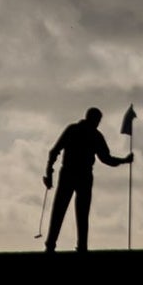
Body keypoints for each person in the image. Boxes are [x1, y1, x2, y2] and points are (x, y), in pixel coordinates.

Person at [43, 106, 134, 252]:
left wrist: (49, 172)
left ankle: (52, 245)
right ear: (94, 119)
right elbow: (106, 159)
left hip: (71, 174)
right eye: (98, 120)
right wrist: (124, 160)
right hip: (81, 175)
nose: (98, 123)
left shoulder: (74, 130)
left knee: (62, 210)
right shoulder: (94, 135)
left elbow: (54, 151)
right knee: (79, 212)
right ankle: (79, 246)